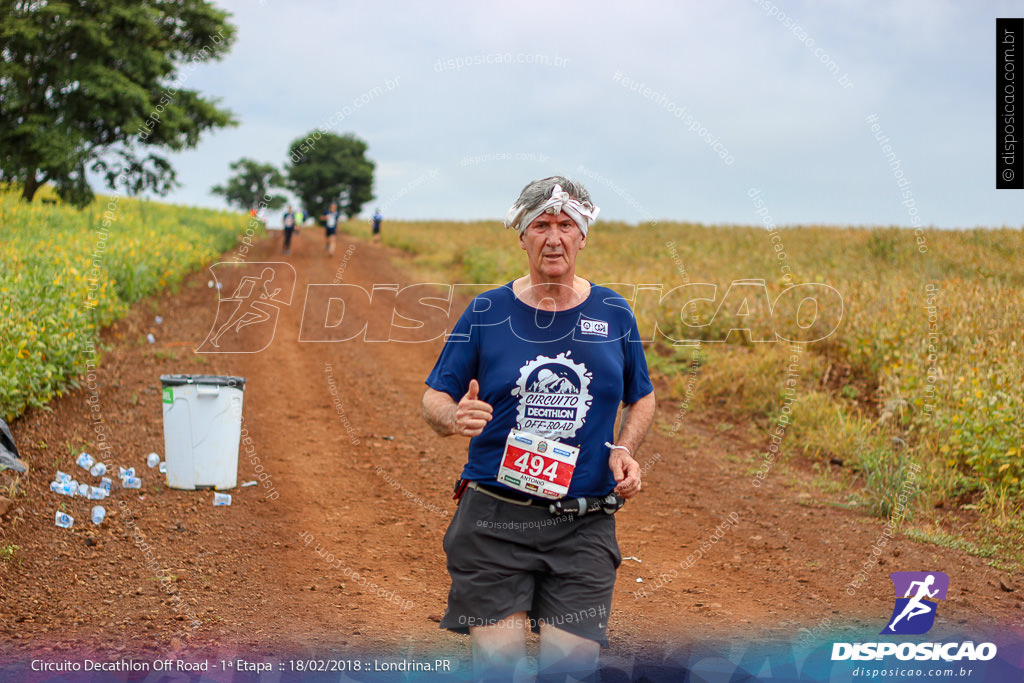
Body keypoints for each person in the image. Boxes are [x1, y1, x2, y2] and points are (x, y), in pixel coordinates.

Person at [422, 176, 656, 682]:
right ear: (522, 236)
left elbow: (642, 396)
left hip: (584, 525)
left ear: (583, 236)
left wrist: (624, 447)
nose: (554, 237)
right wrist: (453, 417)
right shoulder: (488, 311)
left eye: (565, 225)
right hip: (494, 521)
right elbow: (434, 396)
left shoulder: (613, 312)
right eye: (541, 225)